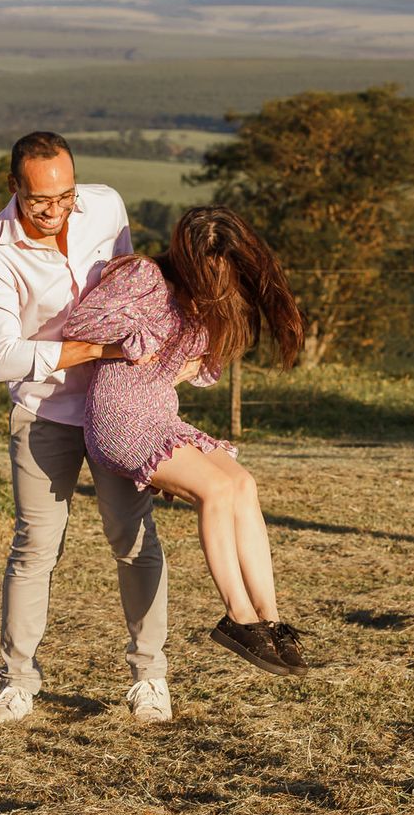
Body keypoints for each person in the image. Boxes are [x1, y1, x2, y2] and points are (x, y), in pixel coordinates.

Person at [0, 131, 174, 726]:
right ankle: (17, 682)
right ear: (14, 189)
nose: (55, 211)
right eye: (40, 202)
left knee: (133, 541)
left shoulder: (105, 205)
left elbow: (132, 292)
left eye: (64, 197)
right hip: (44, 412)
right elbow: (0, 357)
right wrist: (93, 349)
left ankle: (150, 677)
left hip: (120, 406)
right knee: (35, 547)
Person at [61, 206, 308, 681]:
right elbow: (80, 327)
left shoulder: (213, 290)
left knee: (242, 485)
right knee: (213, 492)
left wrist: (185, 364)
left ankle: (269, 618)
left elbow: (201, 366)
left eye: (224, 267)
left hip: (160, 412)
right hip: (120, 415)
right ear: (185, 255)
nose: (217, 276)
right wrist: (129, 345)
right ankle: (239, 617)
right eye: (208, 267)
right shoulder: (143, 277)